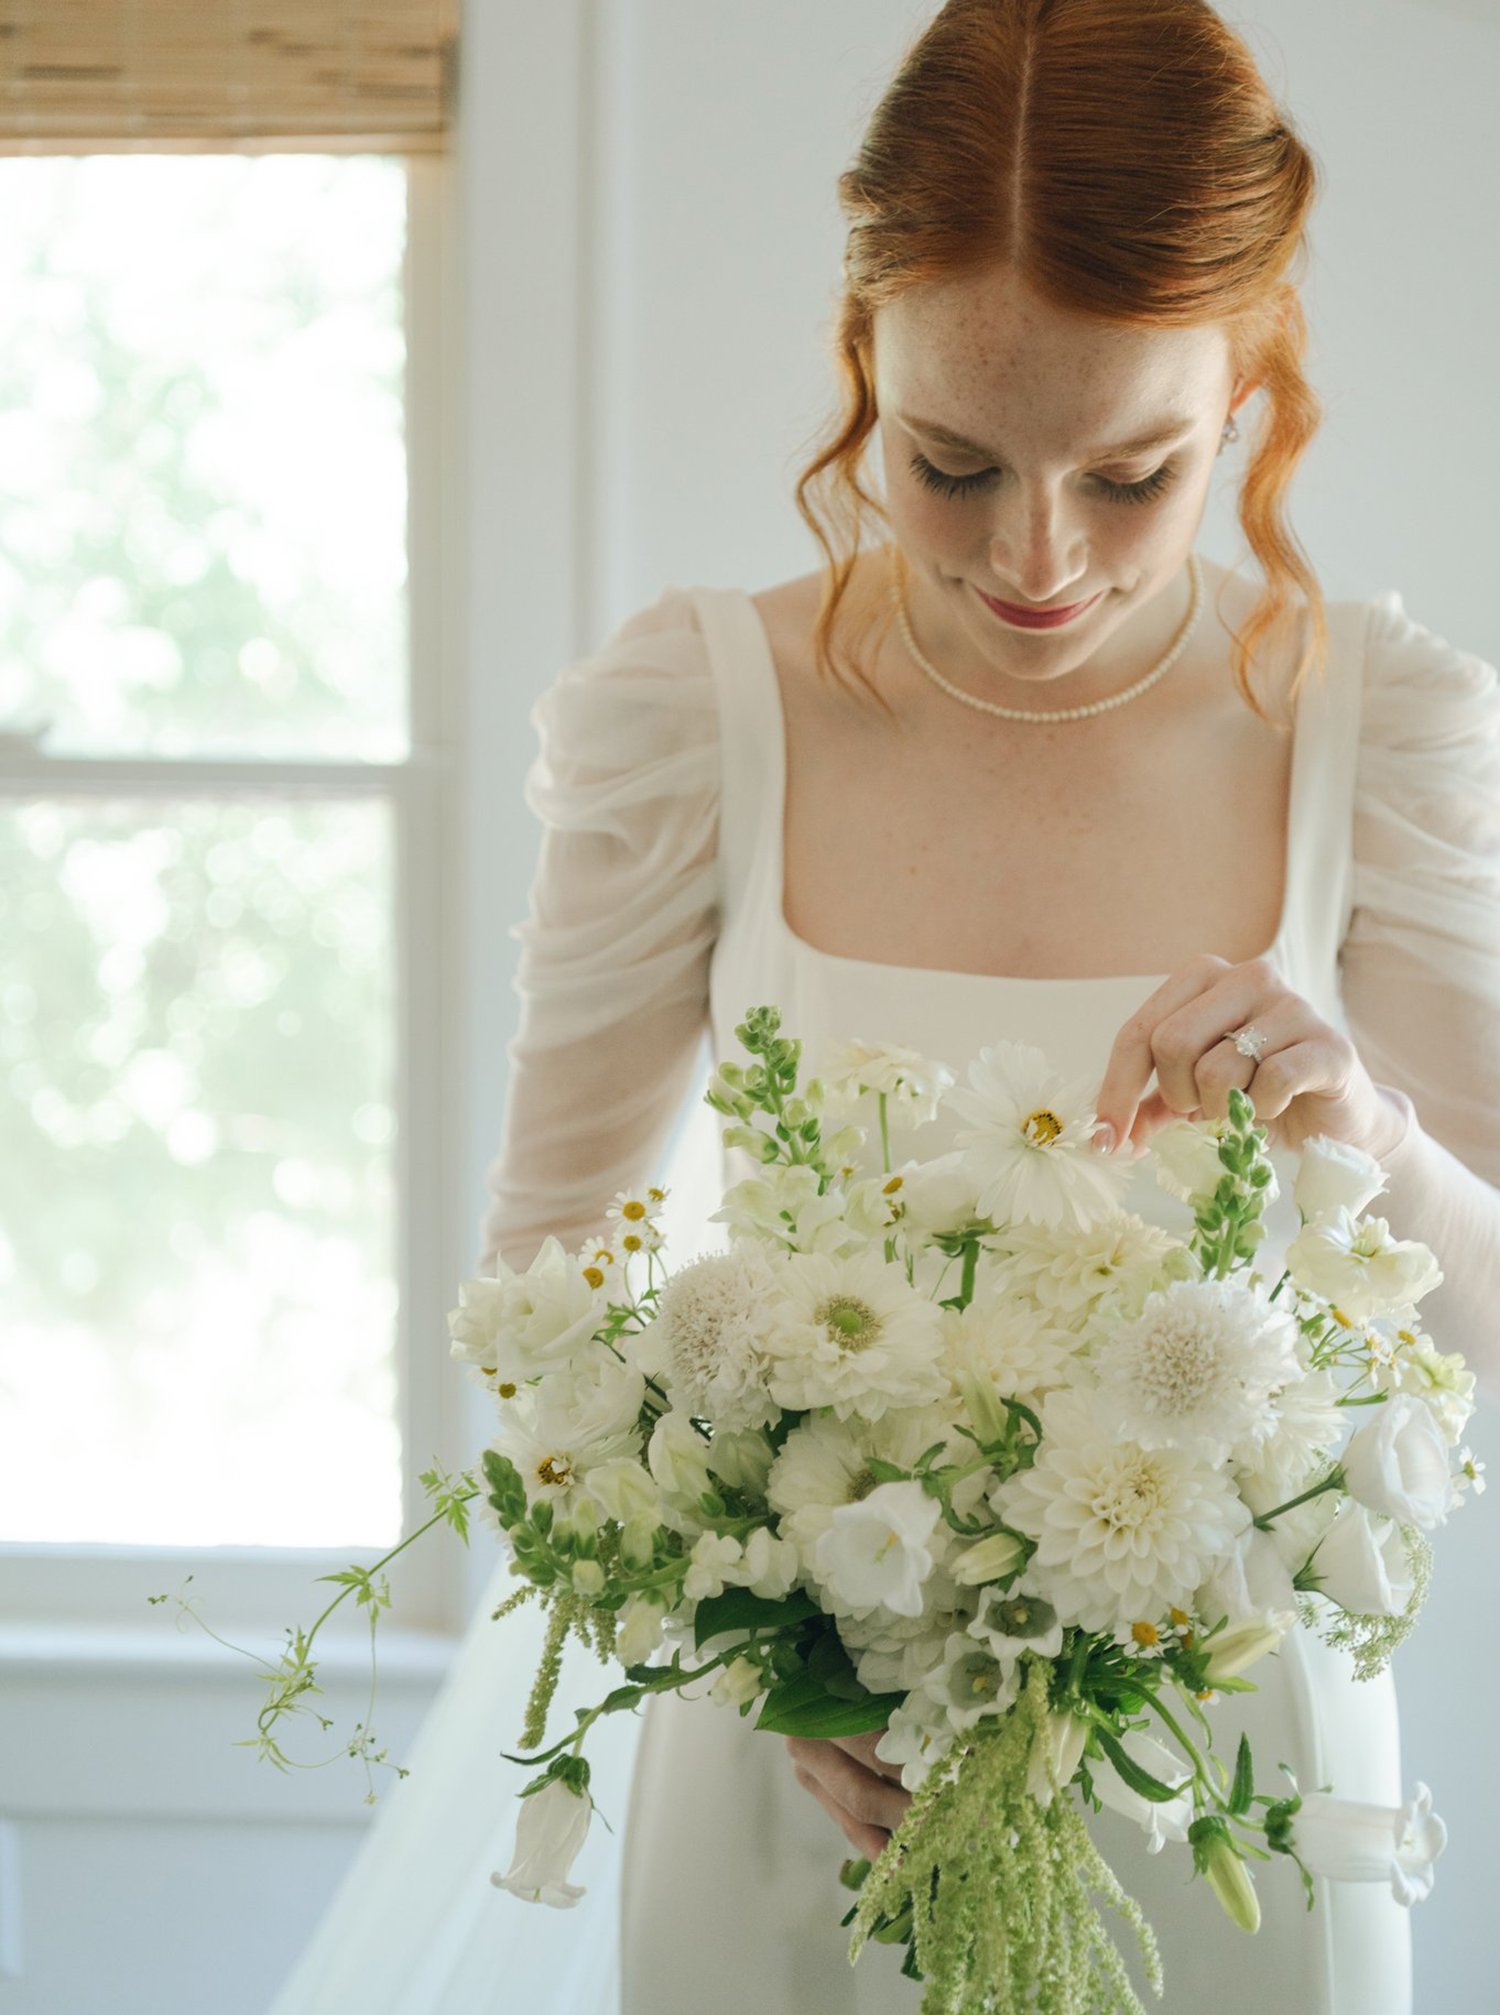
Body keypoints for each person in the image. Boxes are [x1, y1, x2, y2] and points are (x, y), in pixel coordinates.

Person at [269, 2, 1500, 2010]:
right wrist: (758, 1659)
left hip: (1223, 1769)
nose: (1038, 558)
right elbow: (543, 1287)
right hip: (800, 1754)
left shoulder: (1387, 732)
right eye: (952, 463)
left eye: (1134, 474)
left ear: (1256, 388)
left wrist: (1361, 1140)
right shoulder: (693, 721)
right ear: (866, 367)